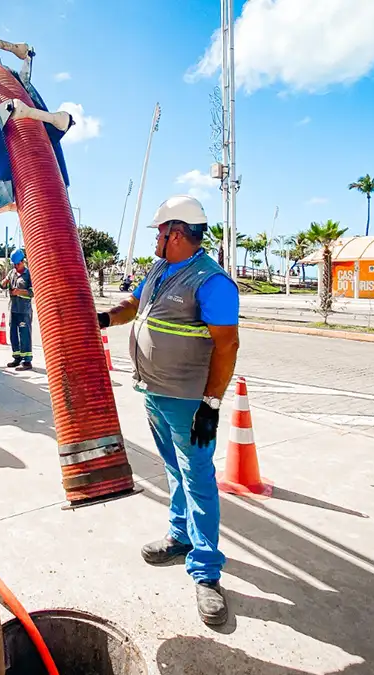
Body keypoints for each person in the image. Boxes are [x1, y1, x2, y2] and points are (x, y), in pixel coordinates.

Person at [96, 194, 240, 625]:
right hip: (155, 393)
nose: (156, 239)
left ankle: (207, 572)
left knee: (198, 479)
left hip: (188, 401)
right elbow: (135, 306)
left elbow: (227, 346)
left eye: (160, 232)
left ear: (176, 234)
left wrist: (210, 405)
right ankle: (181, 536)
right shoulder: (160, 268)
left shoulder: (211, 283)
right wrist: (102, 318)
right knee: (175, 471)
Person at [0, 248, 34, 371]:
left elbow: (32, 293)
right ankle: (17, 357)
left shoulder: (29, 274)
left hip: (24, 310)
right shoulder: (12, 273)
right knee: (13, 334)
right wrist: (4, 283)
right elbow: (3, 286)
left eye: (18, 263)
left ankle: (27, 361)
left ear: (23, 261)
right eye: (14, 264)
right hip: (13, 309)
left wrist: (20, 291)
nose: (16, 266)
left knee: (24, 334)